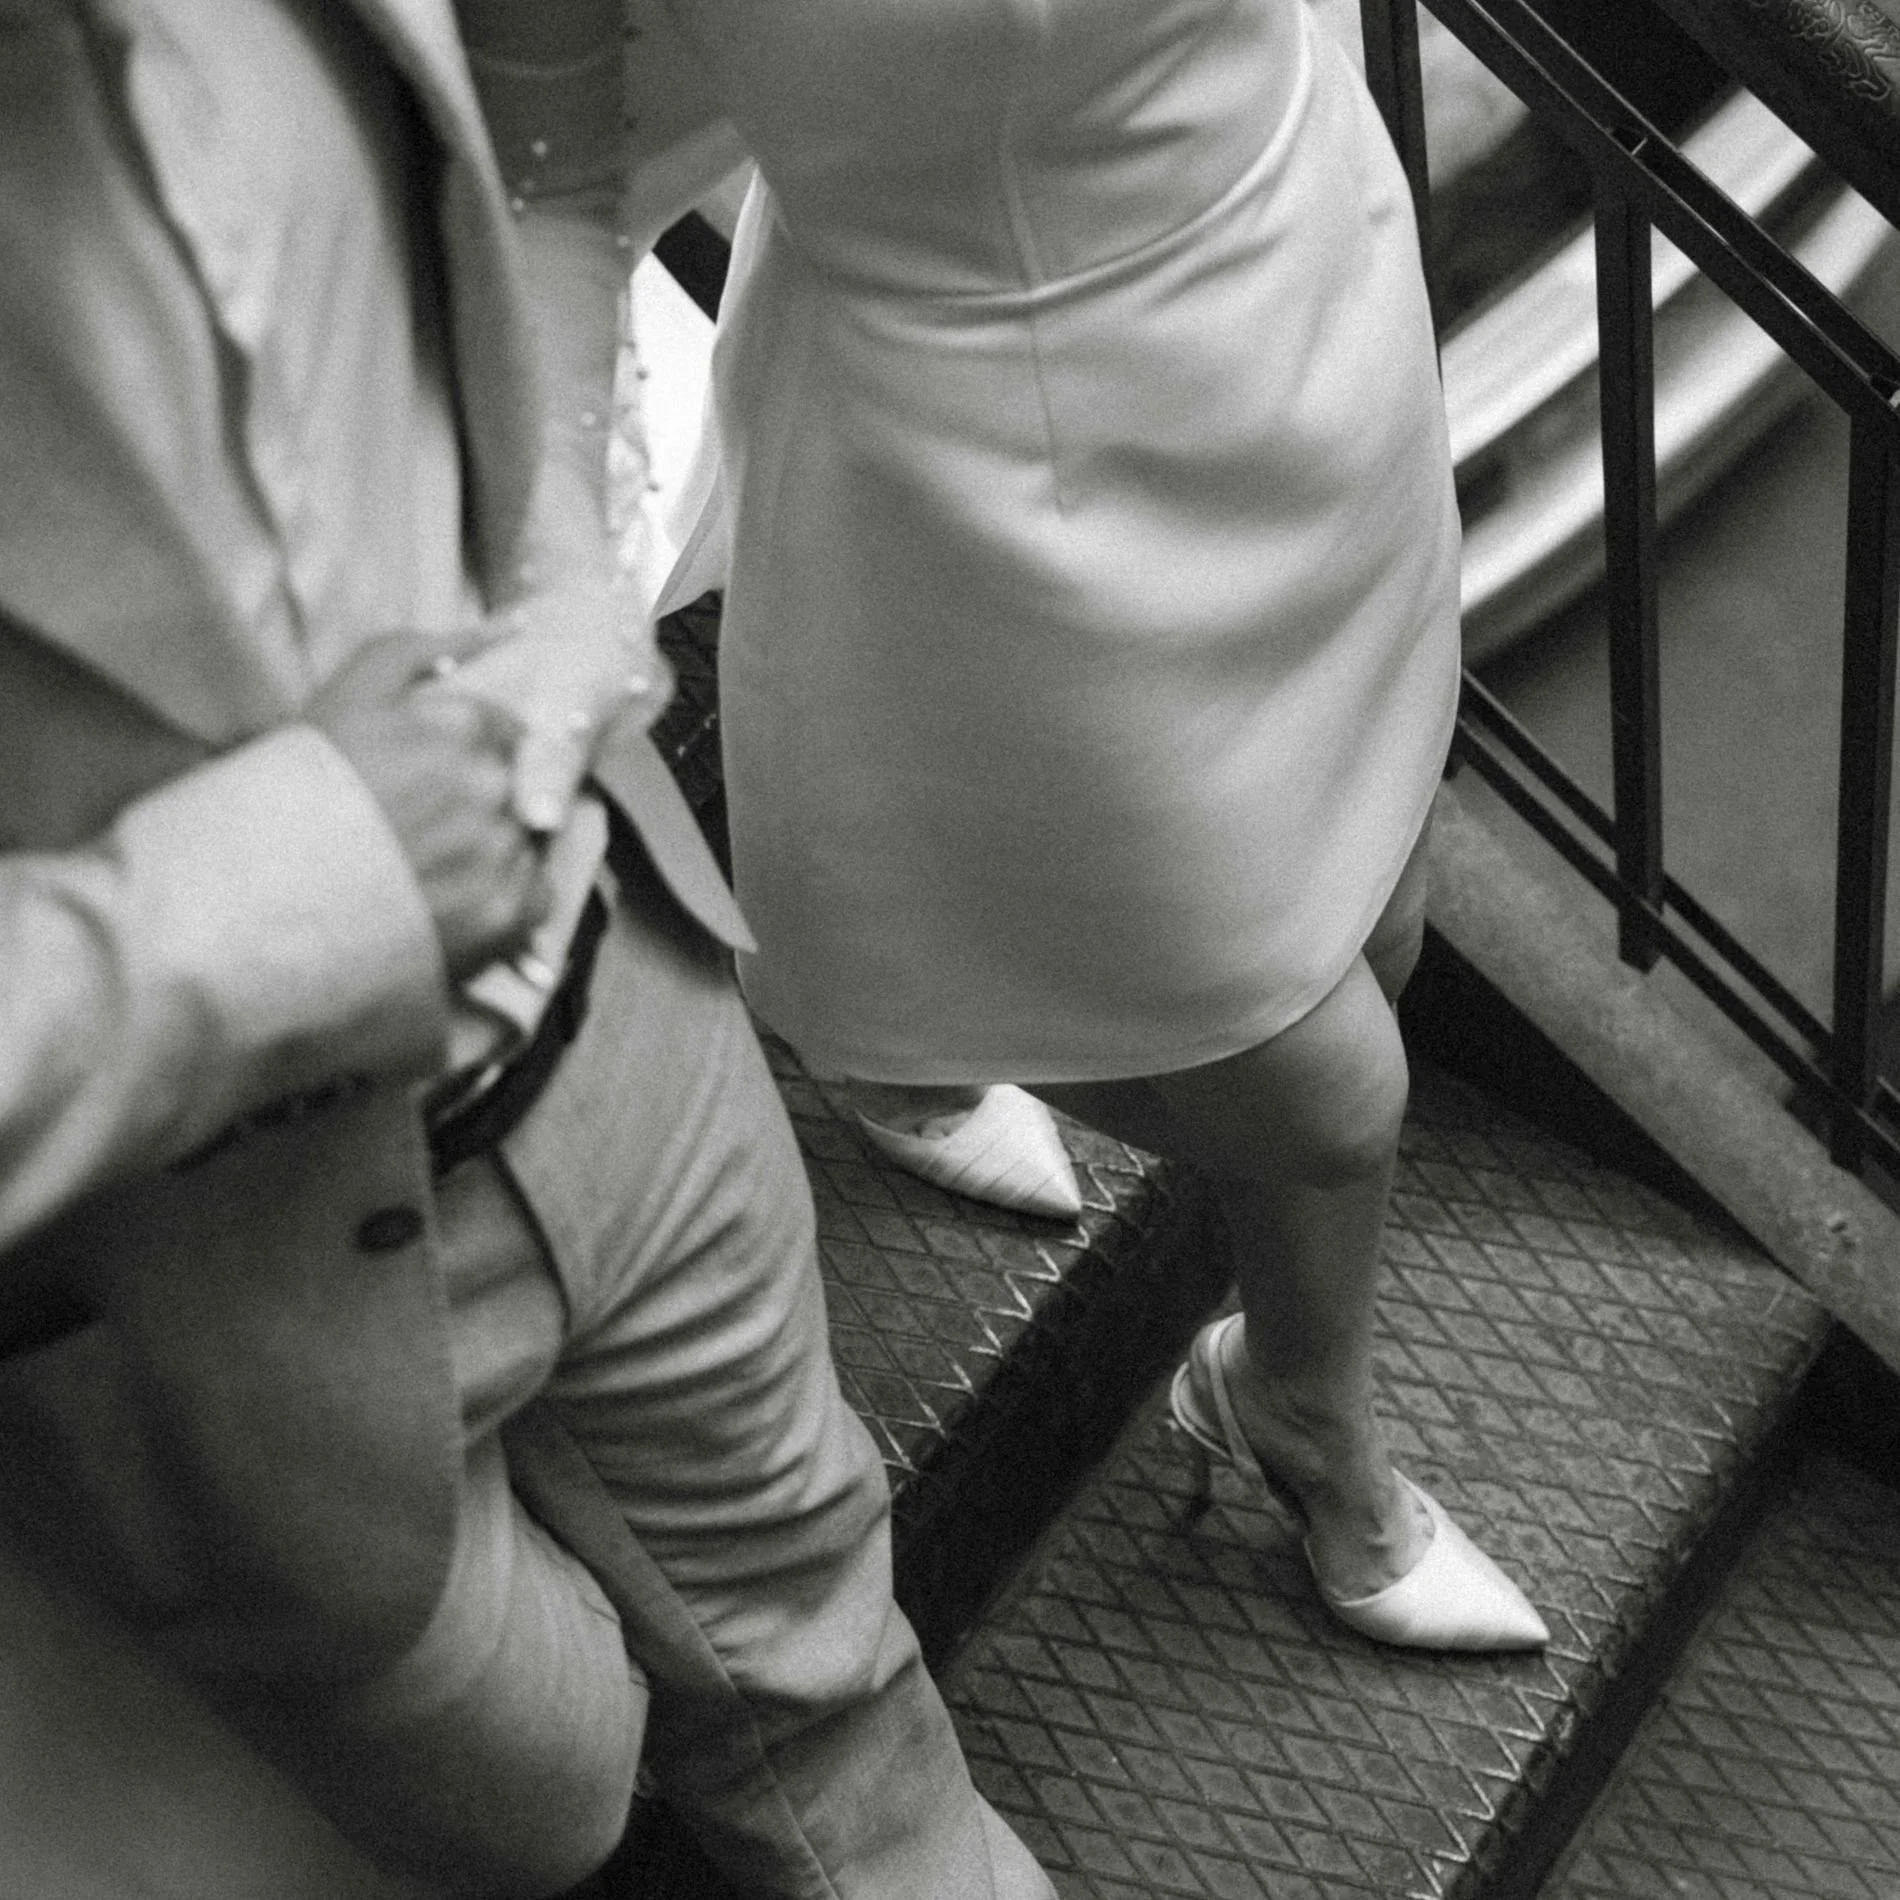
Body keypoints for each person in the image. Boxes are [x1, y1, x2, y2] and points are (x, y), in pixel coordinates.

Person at [0, 1, 1056, 1894]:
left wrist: (568, 553)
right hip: (171, 1305)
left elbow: (538, 136)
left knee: (854, 1718)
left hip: (616, 1010)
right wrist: (292, 886)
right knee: (546, 1819)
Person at [542, 0, 1550, 1648]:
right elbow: (547, 184)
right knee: (1330, 1090)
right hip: (1027, 483)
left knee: (1379, 923)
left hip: (1300, 306)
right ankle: (1289, 1401)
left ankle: (946, 1093)